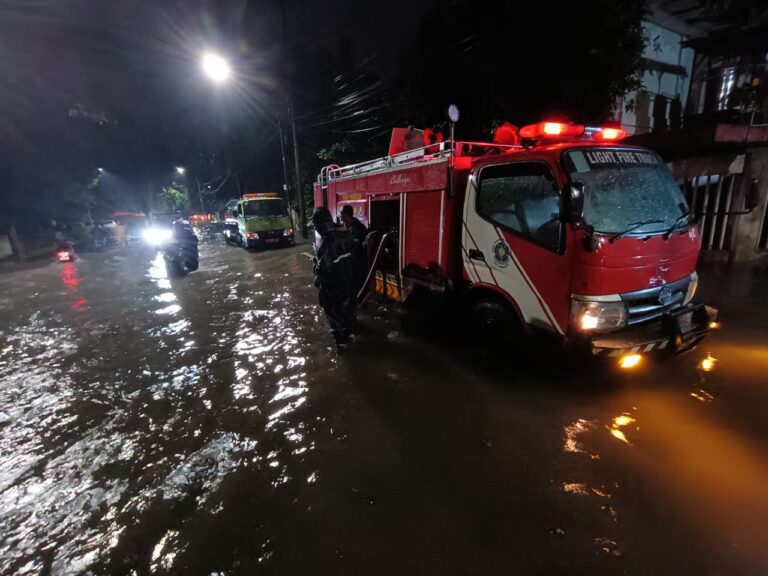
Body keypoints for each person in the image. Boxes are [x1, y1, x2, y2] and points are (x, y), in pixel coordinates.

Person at [313, 207, 358, 349]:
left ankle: (343, 350)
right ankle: (351, 336)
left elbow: (325, 269)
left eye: (315, 226)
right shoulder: (346, 233)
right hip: (350, 285)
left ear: (319, 225)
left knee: (336, 320)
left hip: (334, 291)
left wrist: (316, 269)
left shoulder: (327, 244)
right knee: (349, 315)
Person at [339, 204, 369, 296]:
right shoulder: (345, 226)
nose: (339, 215)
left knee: (357, 287)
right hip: (349, 263)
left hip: (357, 263)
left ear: (346, 215)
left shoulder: (358, 228)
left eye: (341, 213)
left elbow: (356, 244)